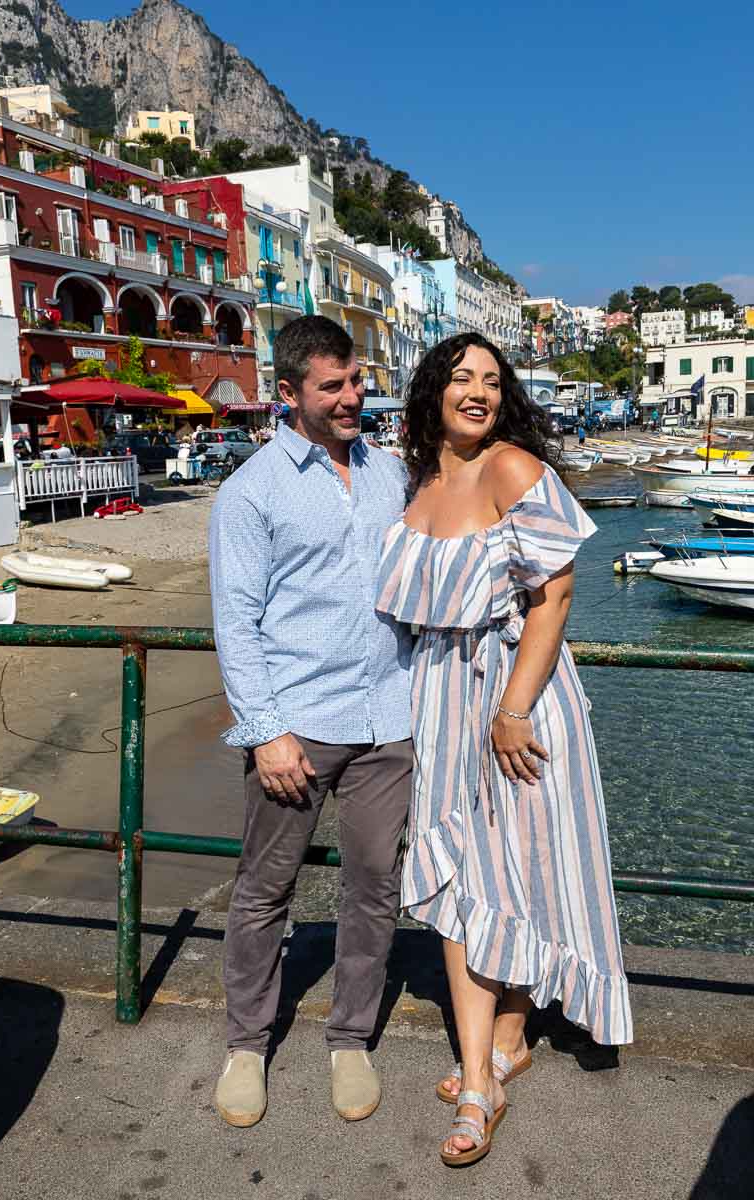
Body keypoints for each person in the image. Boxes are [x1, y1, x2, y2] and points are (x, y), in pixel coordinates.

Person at [375, 333, 632, 1168]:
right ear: (433, 390)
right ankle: (507, 1042)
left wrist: (514, 708)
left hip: (511, 701)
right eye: (462, 378)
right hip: (443, 704)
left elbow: (554, 597)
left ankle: (480, 1080)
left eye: (493, 380)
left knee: (495, 874)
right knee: (473, 872)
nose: (479, 392)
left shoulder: (512, 467)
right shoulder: (422, 478)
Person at [209, 315, 413, 1130]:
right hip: (298, 725)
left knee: (374, 888)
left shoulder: (393, 474)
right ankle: (246, 1043)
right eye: (332, 386)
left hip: (388, 718)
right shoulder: (251, 491)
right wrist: (264, 730)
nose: (351, 397)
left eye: (355, 381)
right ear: (288, 392)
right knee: (264, 890)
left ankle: (351, 1038)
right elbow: (237, 619)